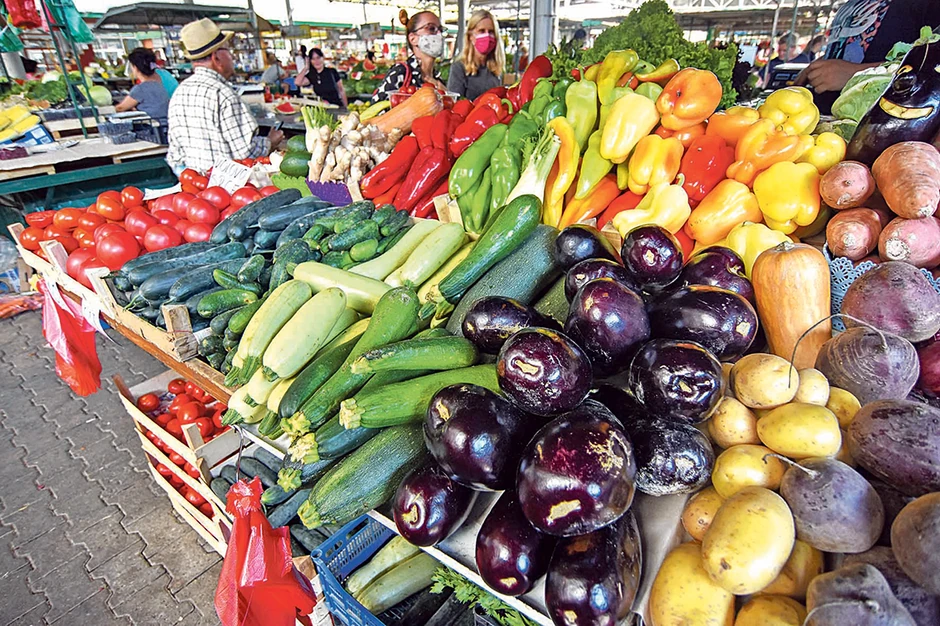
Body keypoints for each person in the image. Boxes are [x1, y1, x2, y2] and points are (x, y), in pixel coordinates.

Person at [166, 18, 283, 175]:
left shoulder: (180, 91)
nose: (232, 57)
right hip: (226, 183)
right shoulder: (223, 94)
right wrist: (270, 142)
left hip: (193, 184)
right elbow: (245, 153)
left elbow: (174, 154)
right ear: (217, 58)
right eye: (228, 50)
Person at [796, 0, 940, 114]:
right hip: (826, 119)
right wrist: (820, 64)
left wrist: (857, 74)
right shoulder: (851, 3)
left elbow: (932, 63)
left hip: (878, 125)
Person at [372, 10, 446, 102]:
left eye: (441, 30)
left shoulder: (438, 78)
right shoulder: (401, 72)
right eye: (431, 28)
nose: (439, 34)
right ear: (413, 39)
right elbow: (378, 107)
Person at [447, 9, 504, 101]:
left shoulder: (496, 69)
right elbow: (454, 103)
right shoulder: (459, 68)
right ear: (470, 36)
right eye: (481, 31)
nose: (487, 35)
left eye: (491, 31)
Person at [115, 48, 170, 127]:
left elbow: (121, 108)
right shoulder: (158, 83)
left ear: (135, 67)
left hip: (151, 128)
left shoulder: (140, 89)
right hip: (165, 125)